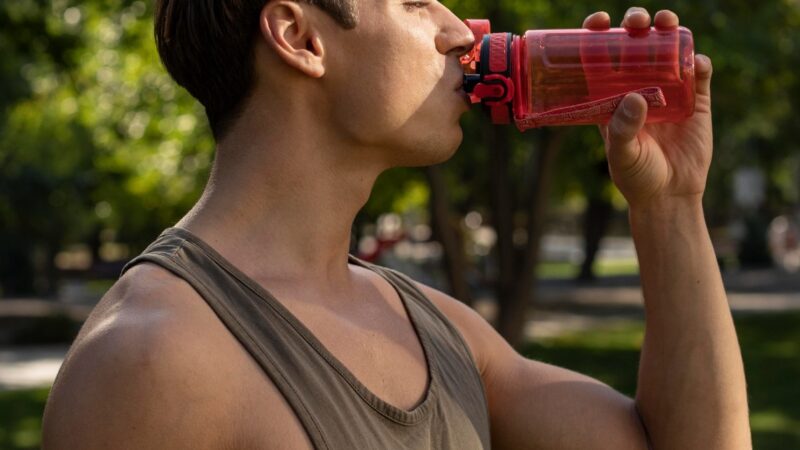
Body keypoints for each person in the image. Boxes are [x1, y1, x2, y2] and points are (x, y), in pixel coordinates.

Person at [41, 1, 751, 448]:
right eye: (417, 2)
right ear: (300, 37)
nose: (457, 31)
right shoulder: (149, 361)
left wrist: (669, 206)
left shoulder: (435, 328)